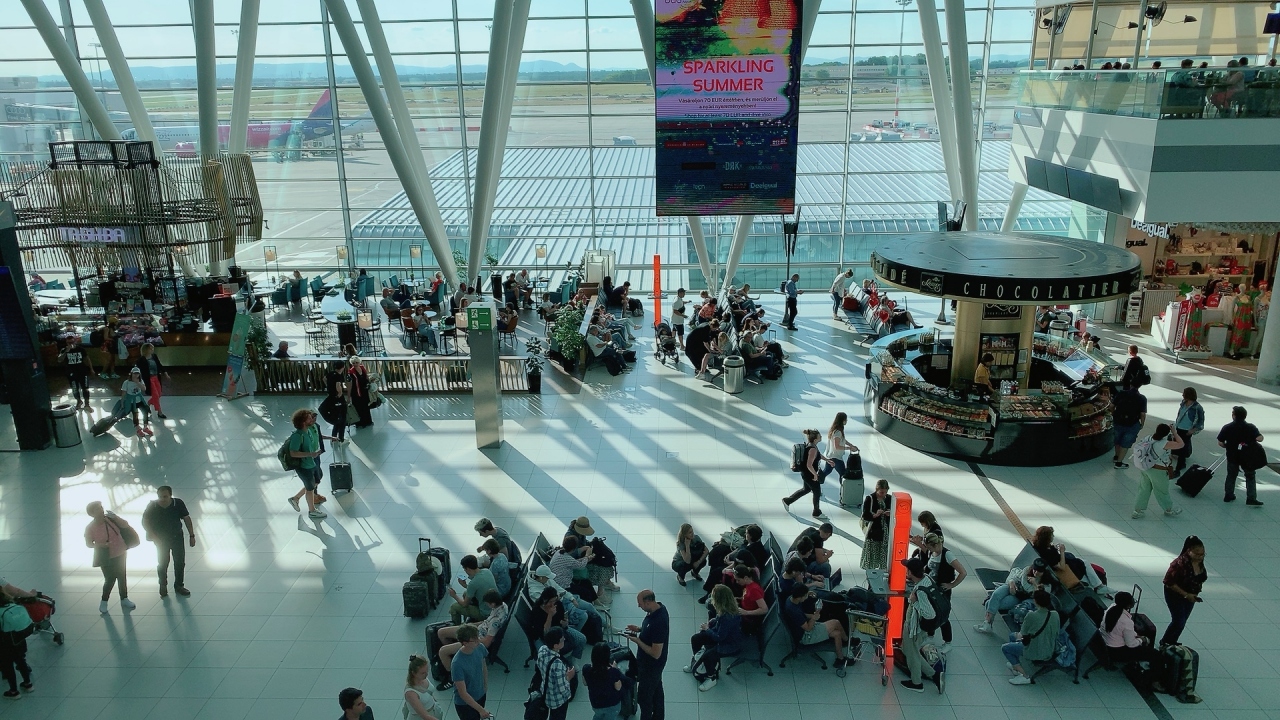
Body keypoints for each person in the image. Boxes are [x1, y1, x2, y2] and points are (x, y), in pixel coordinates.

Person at [683, 583, 743, 691]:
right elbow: (719, 622)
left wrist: (707, 629)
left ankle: (711, 677)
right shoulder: (726, 608)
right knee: (695, 639)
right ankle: (697, 663)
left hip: (729, 644)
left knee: (708, 656)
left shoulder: (728, 617)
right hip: (721, 635)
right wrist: (714, 621)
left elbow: (719, 637)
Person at [436, 590, 507, 679]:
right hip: (476, 630)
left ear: (492, 604)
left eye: (487, 603)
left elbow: (486, 643)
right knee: (441, 632)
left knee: (442, 651)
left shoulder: (495, 621)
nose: (486, 605)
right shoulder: (503, 606)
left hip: (475, 640)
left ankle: (453, 676)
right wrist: (471, 625)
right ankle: (456, 656)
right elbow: (486, 623)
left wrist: (469, 640)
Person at [899, 557, 944, 693]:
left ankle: (917, 683)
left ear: (910, 572)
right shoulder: (927, 579)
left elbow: (929, 614)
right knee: (908, 650)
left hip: (914, 628)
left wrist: (914, 601)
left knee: (911, 653)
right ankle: (934, 675)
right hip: (919, 628)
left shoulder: (920, 592)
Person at [141, 486, 195, 598]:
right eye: (160, 496)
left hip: (177, 537)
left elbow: (186, 518)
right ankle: (163, 584)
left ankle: (179, 585)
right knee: (163, 563)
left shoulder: (178, 503)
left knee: (179, 562)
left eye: (165, 496)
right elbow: (145, 521)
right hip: (161, 540)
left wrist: (191, 535)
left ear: (170, 495)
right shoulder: (153, 506)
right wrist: (154, 537)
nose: (162, 499)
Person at [624, 590, 668, 720]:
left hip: (651, 666)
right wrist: (639, 629)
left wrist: (638, 641)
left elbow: (656, 653)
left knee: (644, 698)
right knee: (657, 689)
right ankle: (659, 716)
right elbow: (651, 632)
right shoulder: (657, 609)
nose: (639, 606)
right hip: (650, 665)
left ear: (648, 602)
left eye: (640, 603)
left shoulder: (658, 622)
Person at [84, 501, 134, 613]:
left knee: (122, 576)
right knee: (110, 579)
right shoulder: (90, 528)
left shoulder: (110, 519)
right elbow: (89, 544)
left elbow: (125, 525)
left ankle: (124, 598)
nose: (101, 510)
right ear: (92, 513)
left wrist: (116, 517)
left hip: (120, 552)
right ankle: (104, 601)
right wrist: (101, 545)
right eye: (97, 509)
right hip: (105, 556)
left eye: (101, 507)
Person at [1004, 589, 1060, 685]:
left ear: (1035, 601)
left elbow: (1021, 635)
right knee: (1012, 636)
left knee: (1006, 648)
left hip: (1036, 651)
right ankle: (1015, 666)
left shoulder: (1031, 615)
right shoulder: (1055, 614)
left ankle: (1024, 675)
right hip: (1049, 649)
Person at [922, 532, 966, 653]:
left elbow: (963, 572)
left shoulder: (948, 555)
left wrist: (952, 585)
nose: (929, 550)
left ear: (935, 545)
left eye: (929, 547)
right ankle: (930, 635)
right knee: (931, 612)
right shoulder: (932, 552)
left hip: (942, 591)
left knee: (943, 616)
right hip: (931, 588)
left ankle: (948, 642)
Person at [287, 408, 334, 520]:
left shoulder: (308, 431)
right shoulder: (297, 436)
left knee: (315, 481)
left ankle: (296, 498)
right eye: (309, 418)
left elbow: (317, 439)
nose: (312, 419)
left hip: (311, 462)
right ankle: (312, 511)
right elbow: (293, 453)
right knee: (310, 487)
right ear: (303, 422)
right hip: (304, 466)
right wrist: (310, 454)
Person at [1161, 535, 1206, 647]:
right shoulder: (1179, 564)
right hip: (1175, 595)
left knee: (1182, 621)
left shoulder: (1199, 562)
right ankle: (1165, 642)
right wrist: (1186, 595)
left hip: (1191, 596)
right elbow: (1168, 582)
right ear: (1189, 551)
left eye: (1202, 554)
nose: (1200, 557)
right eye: (1197, 554)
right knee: (1178, 621)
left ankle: (1172, 642)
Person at [1132, 424, 1184, 519]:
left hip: (1146, 467)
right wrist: (1175, 432)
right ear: (1166, 434)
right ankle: (1168, 509)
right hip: (1159, 470)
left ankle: (1137, 510)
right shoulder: (1165, 444)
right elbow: (1181, 444)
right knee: (1162, 491)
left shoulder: (1148, 438)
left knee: (1143, 489)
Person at [1217, 405, 1265, 505]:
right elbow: (1259, 438)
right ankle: (1251, 498)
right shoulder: (1251, 427)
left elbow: (1220, 442)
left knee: (1231, 475)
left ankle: (1228, 495)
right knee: (1250, 475)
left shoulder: (1227, 427)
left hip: (1232, 455)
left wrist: (1228, 446)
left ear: (1234, 416)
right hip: (1247, 456)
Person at [974, 564, 1042, 634]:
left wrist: (1035, 584)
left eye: (1039, 571)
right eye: (1035, 570)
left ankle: (988, 624)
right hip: (1011, 586)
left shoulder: (1044, 583)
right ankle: (987, 623)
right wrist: (1011, 582)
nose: (1036, 572)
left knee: (989, 603)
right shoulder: (1027, 571)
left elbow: (1039, 596)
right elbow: (1015, 575)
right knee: (996, 594)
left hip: (1018, 597)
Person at [1101, 591, 1155, 664]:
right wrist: (1141, 640)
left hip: (1104, 643)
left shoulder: (1111, 608)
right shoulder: (1126, 622)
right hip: (1116, 651)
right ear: (1129, 605)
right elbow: (1131, 644)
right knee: (1154, 653)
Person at [534, 628, 575, 720]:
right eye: (562, 640)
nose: (564, 639)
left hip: (545, 691)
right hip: (557, 700)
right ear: (556, 645)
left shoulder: (542, 650)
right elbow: (562, 689)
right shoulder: (557, 665)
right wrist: (569, 677)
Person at [782, 429, 825, 518]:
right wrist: (815, 474)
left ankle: (788, 501)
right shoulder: (812, 449)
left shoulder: (811, 445)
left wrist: (827, 460)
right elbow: (809, 464)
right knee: (817, 492)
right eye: (819, 436)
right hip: (809, 474)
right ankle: (816, 512)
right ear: (815, 439)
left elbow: (818, 455)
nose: (821, 437)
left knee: (806, 489)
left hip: (806, 473)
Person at [451, 625, 491, 719]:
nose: (478, 641)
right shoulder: (457, 663)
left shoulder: (480, 647)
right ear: (465, 643)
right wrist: (481, 710)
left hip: (480, 694)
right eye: (475, 640)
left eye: (478, 637)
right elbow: (462, 693)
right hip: (465, 705)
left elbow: (483, 666)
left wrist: (485, 685)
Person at [0, 591, 33, 698]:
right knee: (21, 661)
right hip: (20, 641)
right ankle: (28, 684)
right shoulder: (13, 605)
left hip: (6, 644)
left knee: (8, 667)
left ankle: (14, 691)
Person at [447, 555, 498, 624]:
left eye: (464, 569)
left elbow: (464, 604)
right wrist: (465, 585)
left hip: (485, 614)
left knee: (454, 607)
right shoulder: (487, 571)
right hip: (495, 607)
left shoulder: (473, 583)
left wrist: (454, 595)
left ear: (468, 569)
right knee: (465, 593)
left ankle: (457, 627)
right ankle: (467, 620)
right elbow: (478, 587)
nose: (465, 571)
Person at [584, 641, 626, 720]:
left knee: (598, 716)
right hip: (612, 704)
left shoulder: (586, 669)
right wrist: (615, 668)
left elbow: (585, 683)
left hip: (595, 703)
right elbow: (618, 688)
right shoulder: (614, 672)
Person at [1111, 380, 1147, 468]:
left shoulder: (1121, 393)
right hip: (1132, 423)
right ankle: (1119, 463)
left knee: (1117, 439)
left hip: (1118, 421)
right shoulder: (1142, 398)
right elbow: (1142, 414)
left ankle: (1116, 456)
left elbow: (1111, 406)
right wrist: (1142, 424)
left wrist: (1113, 414)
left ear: (1130, 384)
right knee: (1125, 443)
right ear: (1140, 386)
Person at [816, 412, 858, 483]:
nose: (846, 421)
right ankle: (843, 488)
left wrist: (851, 445)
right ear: (842, 420)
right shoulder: (838, 432)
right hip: (836, 457)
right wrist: (849, 448)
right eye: (846, 419)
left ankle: (815, 481)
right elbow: (837, 446)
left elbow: (843, 440)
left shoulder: (835, 430)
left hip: (831, 456)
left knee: (826, 472)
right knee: (843, 474)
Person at [861, 479, 892, 569]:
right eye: (881, 492)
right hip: (874, 530)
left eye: (885, 492)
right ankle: (871, 570)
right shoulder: (870, 499)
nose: (883, 494)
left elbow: (894, 512)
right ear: (877, 489)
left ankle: (882, 569)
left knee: (884, 551)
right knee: (873, 551)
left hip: (885, 531)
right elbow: (865, 515)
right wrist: (875, 515)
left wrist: (889, 513)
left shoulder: (889, 498)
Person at [1172, 387, 1205, 473]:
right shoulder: (1183, 403)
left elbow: (1201, 421)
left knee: (1182, 446)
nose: (1182, 395)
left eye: (1184, 393)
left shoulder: (1197, 407)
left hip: (1187, 430)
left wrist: (1193, 430)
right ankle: (1182, 461)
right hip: (1179, 427)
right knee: (1180, 445)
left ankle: (1179, 466)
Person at [60, 335, 96, 411]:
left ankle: (87, 404)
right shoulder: (64, 350)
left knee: (85, 388)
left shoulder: (81, 349)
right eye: (69, 343)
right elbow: (59, 360)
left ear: (75, 341)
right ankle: (79, 401)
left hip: (82, 371)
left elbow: (87, 359)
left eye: (72, 342)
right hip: (71, 372)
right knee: (74, 388)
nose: (71, 344)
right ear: (66, 343)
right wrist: (66, 351)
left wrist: (91, 369)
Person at [135, 343, 170, 419]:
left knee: (159, 394)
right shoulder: (141, 360)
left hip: (156, 377)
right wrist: (137, 380)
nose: (152, 350)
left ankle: (149, 403)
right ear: (146, 349)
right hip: (149, 379)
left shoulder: (154, 356)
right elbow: (138, 370)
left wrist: (165, 373)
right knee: (156, 395)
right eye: (151, 348)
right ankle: (159, 412)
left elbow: (159, 365)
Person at [402, 655, 443, 720]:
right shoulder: (410, 693)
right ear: (414, 673)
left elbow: (430, 694)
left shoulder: (422, 678)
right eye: (423, 673)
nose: (426, 674)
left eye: (427, 671)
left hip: (434, 712)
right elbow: (425, 716)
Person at [732, 564, 768, 633]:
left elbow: (764, 609)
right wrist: (738, 598)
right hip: (743, 611)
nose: (737, 582)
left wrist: (746, 612)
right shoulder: (748, 585)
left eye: (738, 580)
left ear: (745, 578)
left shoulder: (754, 590)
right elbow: (748, 598)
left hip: (749, 619)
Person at [119, 367, 152, 438]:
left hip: (139, 400)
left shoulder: (140, 381)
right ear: (131, 374)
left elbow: (144, 389)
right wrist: (122, 402)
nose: (136, 375)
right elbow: (123, 393)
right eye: (134, 373)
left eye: (137, 374)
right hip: (131, 401)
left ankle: (145, 427)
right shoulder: (126, 382)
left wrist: (137, 382)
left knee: (145, 411)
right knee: (135, 414)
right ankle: (138, 428)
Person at [348, 356, 373, 428]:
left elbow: (366, 377)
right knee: (358, 408)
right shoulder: (351, 372)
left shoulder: (362, 368)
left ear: (359, 362)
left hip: (364, 390)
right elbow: (349, 384)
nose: (355, 364)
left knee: (366, 406)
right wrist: (349, 396)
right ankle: (360, 423)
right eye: (353, 363)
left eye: (357, 362)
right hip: (356, 392)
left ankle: (368, 421)